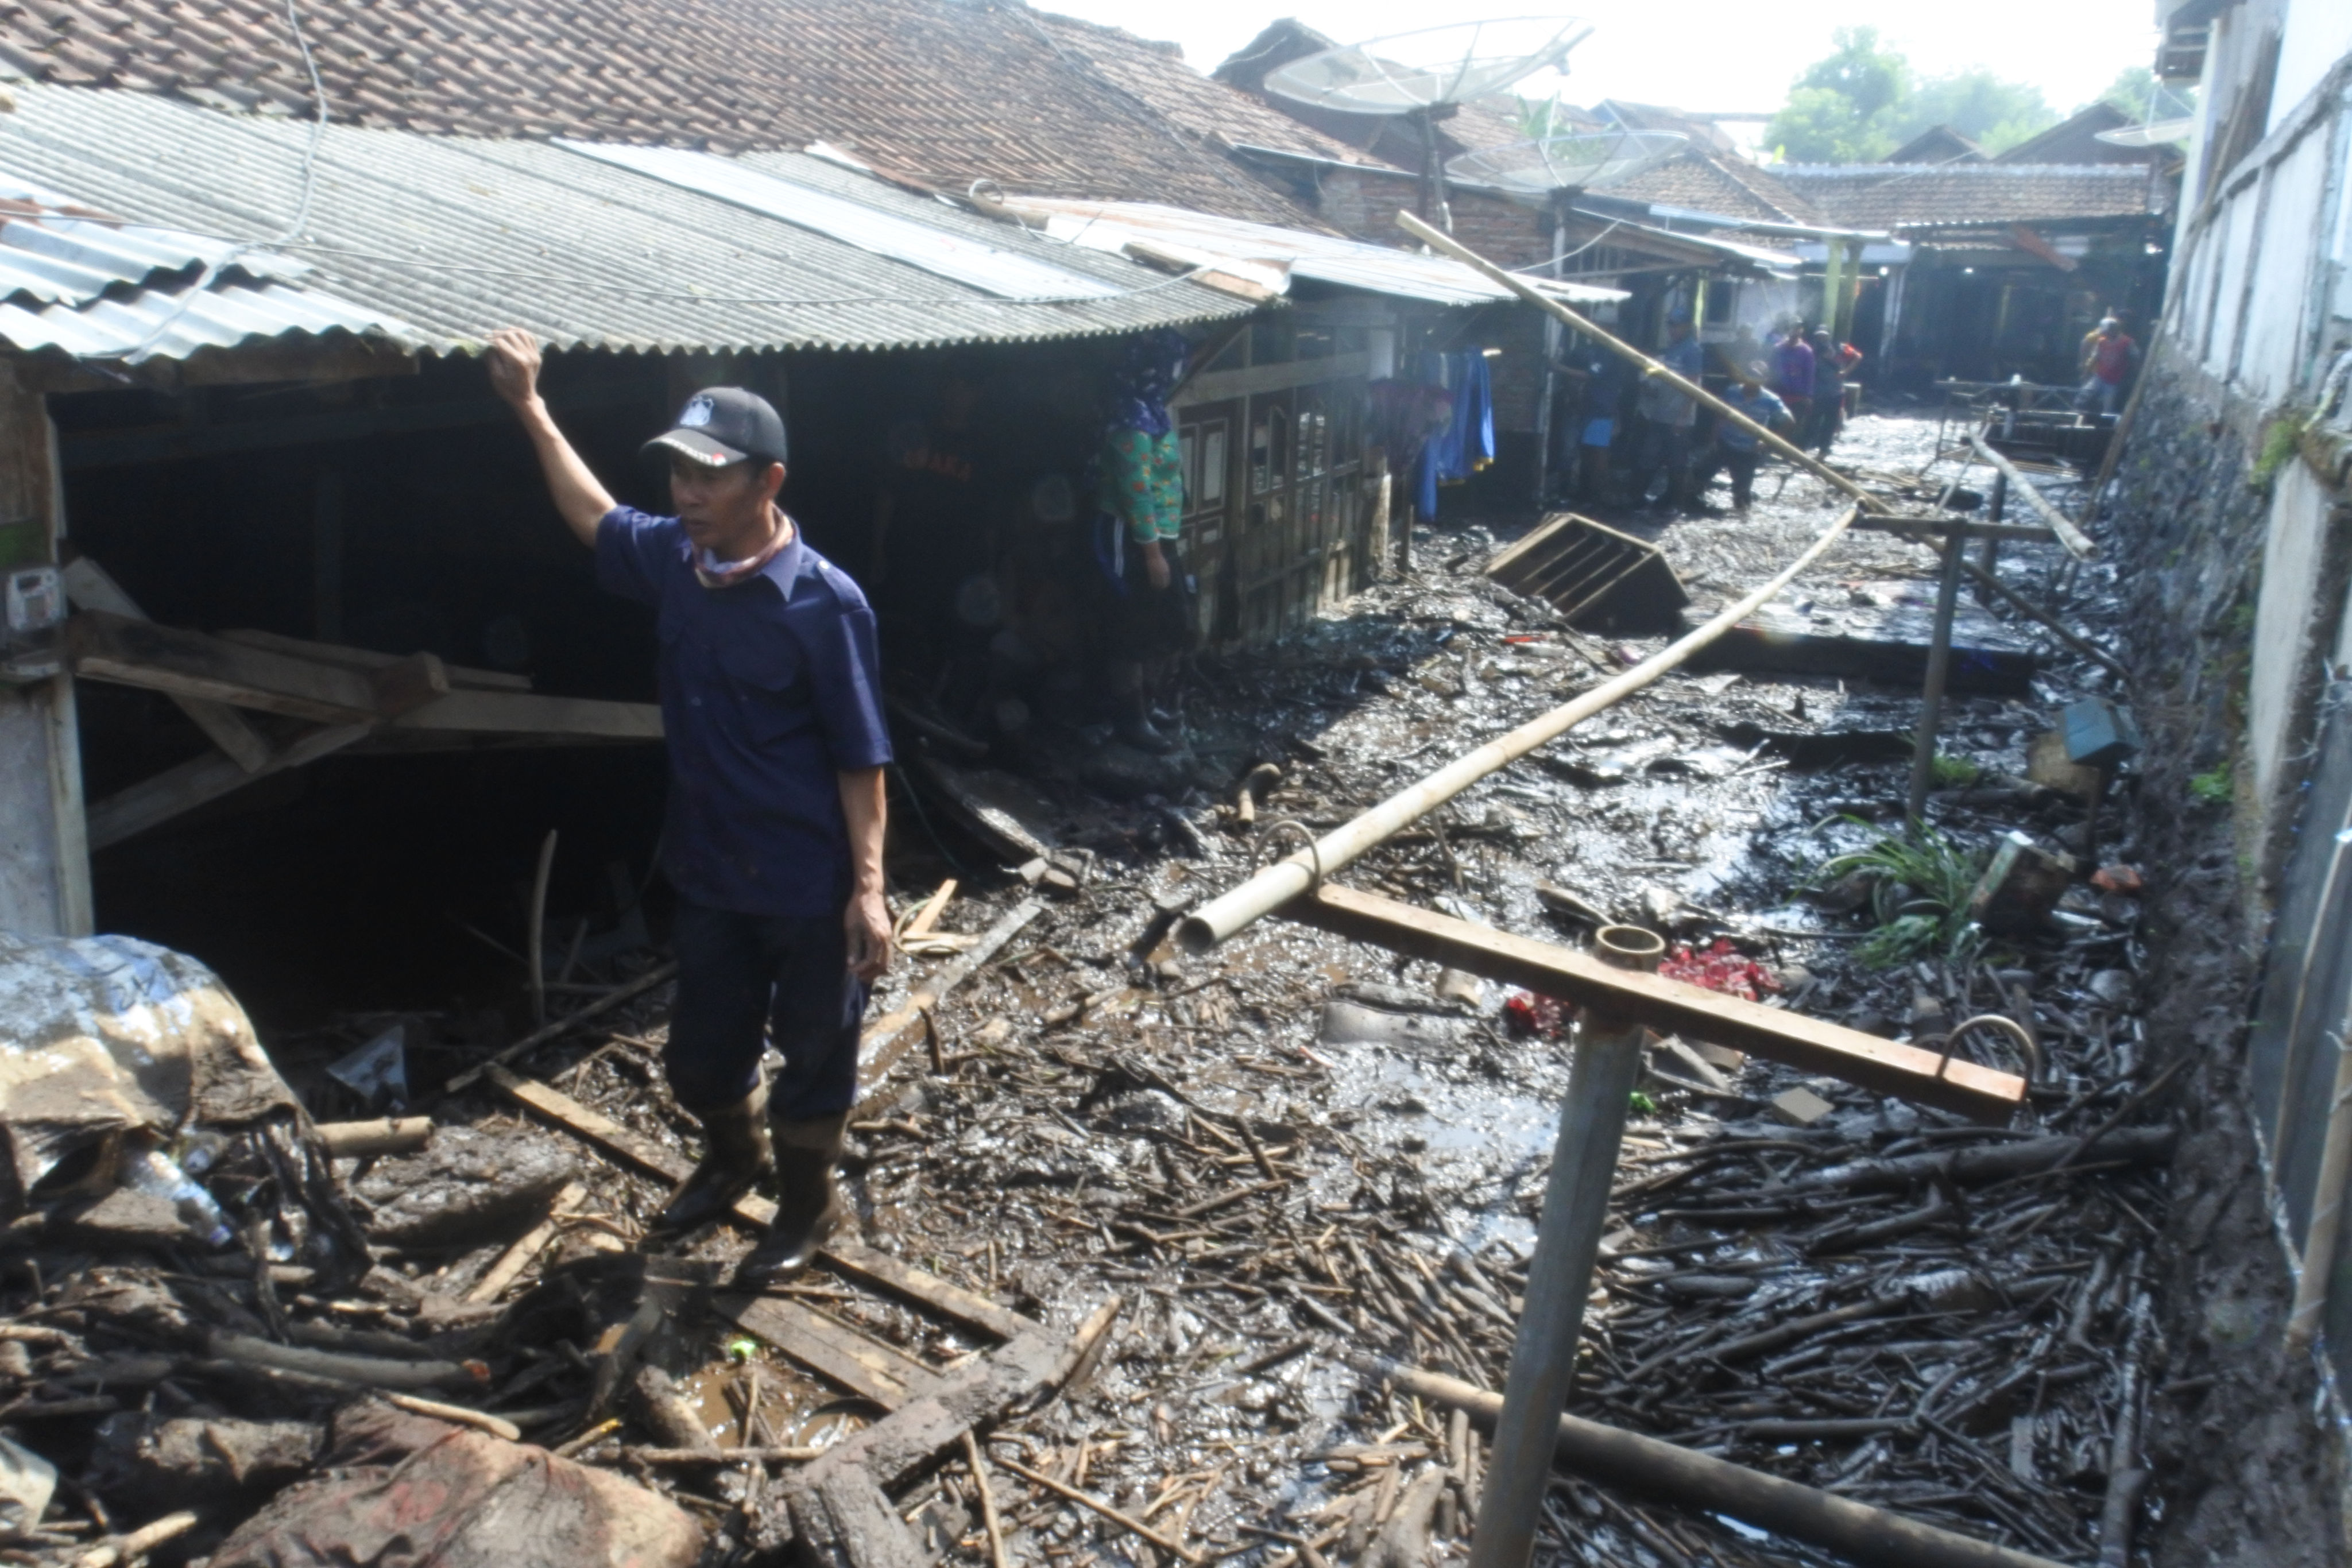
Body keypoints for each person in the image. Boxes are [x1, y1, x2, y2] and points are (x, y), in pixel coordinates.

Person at [485, 328, 893, 1286]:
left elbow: (861, 757)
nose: (687, 493)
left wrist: (868, 891)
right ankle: (731, 1157)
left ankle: (804, 1207)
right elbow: (593, 516)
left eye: (710, 477)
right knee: (701, 1061)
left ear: (769, 482)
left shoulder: (825, 606)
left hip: (805, 880)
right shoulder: (676, 559)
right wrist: (530, 408)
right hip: (709, 868)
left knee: (814, 1058)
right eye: (677, 473)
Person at [1093, 329, 1196, 753]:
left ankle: (1149, 704)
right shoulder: (1129, 420)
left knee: (1168, 619)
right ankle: (1130, 719)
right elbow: (1136, 489)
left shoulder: (1151, 411)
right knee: (1130, 626)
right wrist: (1152, 554)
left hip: (1158, 533)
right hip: (1131, 536)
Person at [1699, 359, 1793, 517]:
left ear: (1764, 380)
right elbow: (1720, 415)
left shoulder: (1770, 400)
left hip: (1748, 450)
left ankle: (1742, 514)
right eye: (1750, 376)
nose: (1752, 381)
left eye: (1757, 378)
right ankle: (1696, 504)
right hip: (1725, 443)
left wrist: (1767, 442)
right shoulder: (1732, 392)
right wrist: (1714, 439)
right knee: (1699, 475)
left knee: (1742, 493)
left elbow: (1789, 421)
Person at [1635, 307, 1704, 510]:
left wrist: (1683, 417)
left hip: (1678, 417)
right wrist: (1648, 388)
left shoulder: (1693, 350)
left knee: (1677, 462)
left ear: (1687, 327)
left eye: (1678, 326)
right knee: (1650, 457)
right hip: (1660, 413)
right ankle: (1641, 498)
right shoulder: (1670, 349)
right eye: (1671, 325)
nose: (1673, 329)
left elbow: (1693, 386)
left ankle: (1676, 503)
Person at [1804, 327, 1863, 458]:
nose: (1821, 338)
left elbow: (1857, 357)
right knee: (1812, 422)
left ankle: (1824, 451)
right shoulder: (1811, 349)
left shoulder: (1840, 347)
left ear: (1829, 336)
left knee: (1830, 423)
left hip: (1835, 392)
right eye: (1819, 336)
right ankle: (1805, 450)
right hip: (1817, 392)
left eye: (1824, 336)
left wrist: (1846, 372)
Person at [2078, 316, 2138, 416]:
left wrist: (2133, 375)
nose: (2105, 334)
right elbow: (2095, 358)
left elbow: (2135, 358)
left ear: (2114, 330)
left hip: (2114, 381)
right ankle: (2080, 417)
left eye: (2107, 332)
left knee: (2108, 409)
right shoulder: (2102, 341)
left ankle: (2104, 427)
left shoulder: (2127, 342)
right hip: (2099, 377)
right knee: (2084, 396)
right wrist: (2086, 373)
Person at [1770, 326, 1815, 440]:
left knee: (1794, 424)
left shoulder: (1806, 351)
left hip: (1798, 395)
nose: (1794, 335)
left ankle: (1788, 452)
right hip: (1778, 393)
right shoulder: (1778, 349)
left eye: (1797, 331)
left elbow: (1810, 374)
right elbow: (1771, 369)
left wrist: (1808, 395)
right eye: (1792, 331)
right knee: (1775, 422)